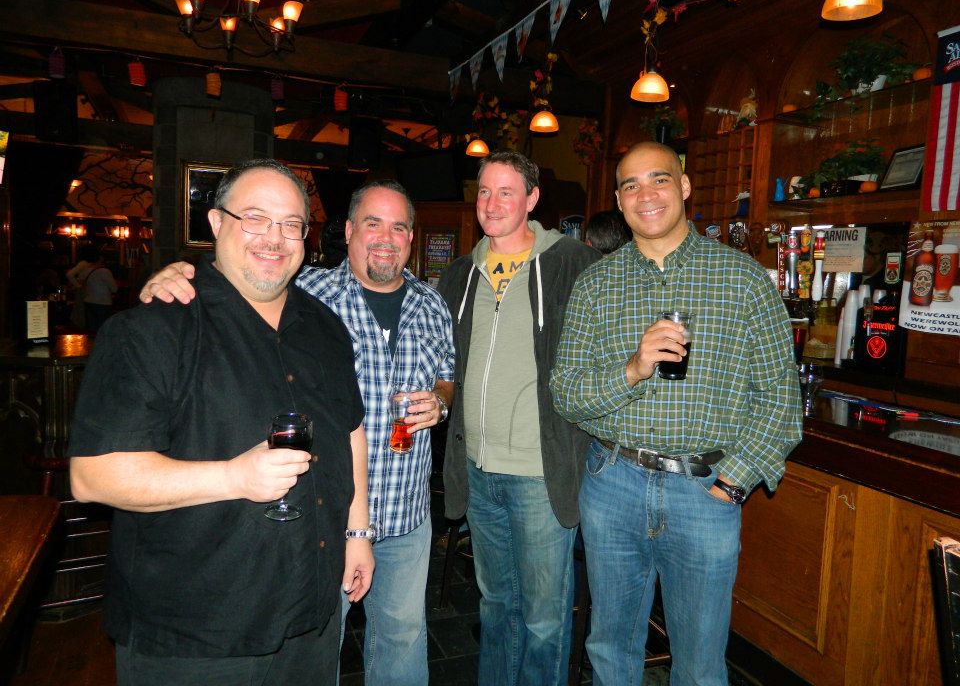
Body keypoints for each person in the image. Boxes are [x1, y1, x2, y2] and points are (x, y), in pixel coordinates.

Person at [67, 159, 374, 686]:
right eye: (255, 218)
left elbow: (349, 429)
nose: (274, 238)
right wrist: (233, 477)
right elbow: (93, 476)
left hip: (310, 617)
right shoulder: (153, 328)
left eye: (291, 224)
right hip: (196, 634)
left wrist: (358, 531)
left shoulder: (325, 326)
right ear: (215, 223)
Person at [139, 179, 455, 686]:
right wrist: (178, 274)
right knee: (317, 645)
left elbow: (447, 375)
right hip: (323, 517)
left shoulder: (432, 303)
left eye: (398, 227)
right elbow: (236, 281)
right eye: (372, 223)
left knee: (403, 637)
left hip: (407, 511)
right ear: (347, 231)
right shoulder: (303, 292)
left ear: (411, 238)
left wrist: (440, 400)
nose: (385, 238)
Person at [550, 142, 803, 686]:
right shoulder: (595, 284)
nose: (646, 194)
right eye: (631, 185)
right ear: (619, 201)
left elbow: (780, 402)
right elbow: (566, 393)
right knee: (610, 651)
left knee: (700, 664)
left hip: (704, 491)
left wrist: (732, 483)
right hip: (612, 483)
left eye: (659, 179)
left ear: (684, 186)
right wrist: (633, 369)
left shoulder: (743, 280)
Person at [435, 151, 600, 686]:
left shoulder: (573, 263)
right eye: (484, 191)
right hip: (478, 470)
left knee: (544, 620)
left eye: (506, 192)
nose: (492, 203)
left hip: (539, 473)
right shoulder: (461, 273)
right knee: (495, 605)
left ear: (532, 199)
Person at [66, 244, 118, 333]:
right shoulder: (100, 270)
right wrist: (78, 286)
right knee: (101, 328)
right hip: (101, 302)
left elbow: (75, 276)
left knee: (90, 326)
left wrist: (78, 284)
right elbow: (114, 289)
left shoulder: (87, 268)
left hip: (88, 299)